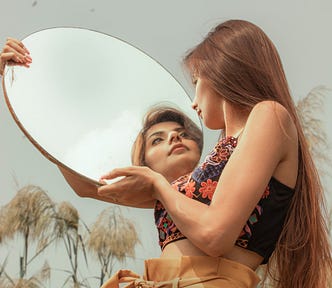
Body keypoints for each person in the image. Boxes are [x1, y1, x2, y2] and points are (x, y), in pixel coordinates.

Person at [1, 19, 331, 288]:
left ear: (220, 73)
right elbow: (90, 186)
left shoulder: (269, 114)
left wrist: (159, 186)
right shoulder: (206, 173)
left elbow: (215, 235)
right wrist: (24, 91)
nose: (192, 102)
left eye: (196, 80)